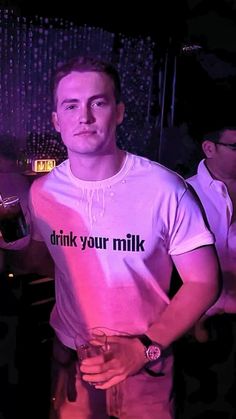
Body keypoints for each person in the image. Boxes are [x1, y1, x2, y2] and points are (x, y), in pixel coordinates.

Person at [2, 56, 220, 418]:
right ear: (57, 120)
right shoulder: (44, 193)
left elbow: (204, 281)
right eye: (71, 106)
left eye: (97, 103)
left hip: (147, 366)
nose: (83, 117)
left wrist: (146, 347)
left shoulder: (164, 188)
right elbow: (43, 263)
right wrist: (11, 241)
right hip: (74, 363)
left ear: (118, 112)